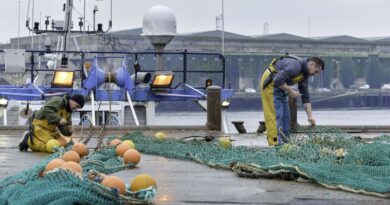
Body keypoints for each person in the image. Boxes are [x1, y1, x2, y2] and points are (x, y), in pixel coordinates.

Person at [260, 55, 324, 146]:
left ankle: (285, 142)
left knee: (286, 117)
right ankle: (275, 143)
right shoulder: (296, 66)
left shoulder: (304, 76)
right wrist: (290, 90)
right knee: (275, 115)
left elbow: (305, 97)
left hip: (281, 87)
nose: (315, 74)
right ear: (312, 64)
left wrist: (310, 117)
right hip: (271, 84)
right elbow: (277, 79)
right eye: (316, 71)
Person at [18, 94, 85, 152]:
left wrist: (68, 131)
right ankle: (28, 140)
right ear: (72, 100)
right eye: (77, 106)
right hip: (40, 126)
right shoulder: (58, 101)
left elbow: (63, 129)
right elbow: (46, 109)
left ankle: (32, 140)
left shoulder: (68, 112)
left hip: (51, 131)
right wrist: (58, 119)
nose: (76, 109)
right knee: (52, 147)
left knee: (64, 144)